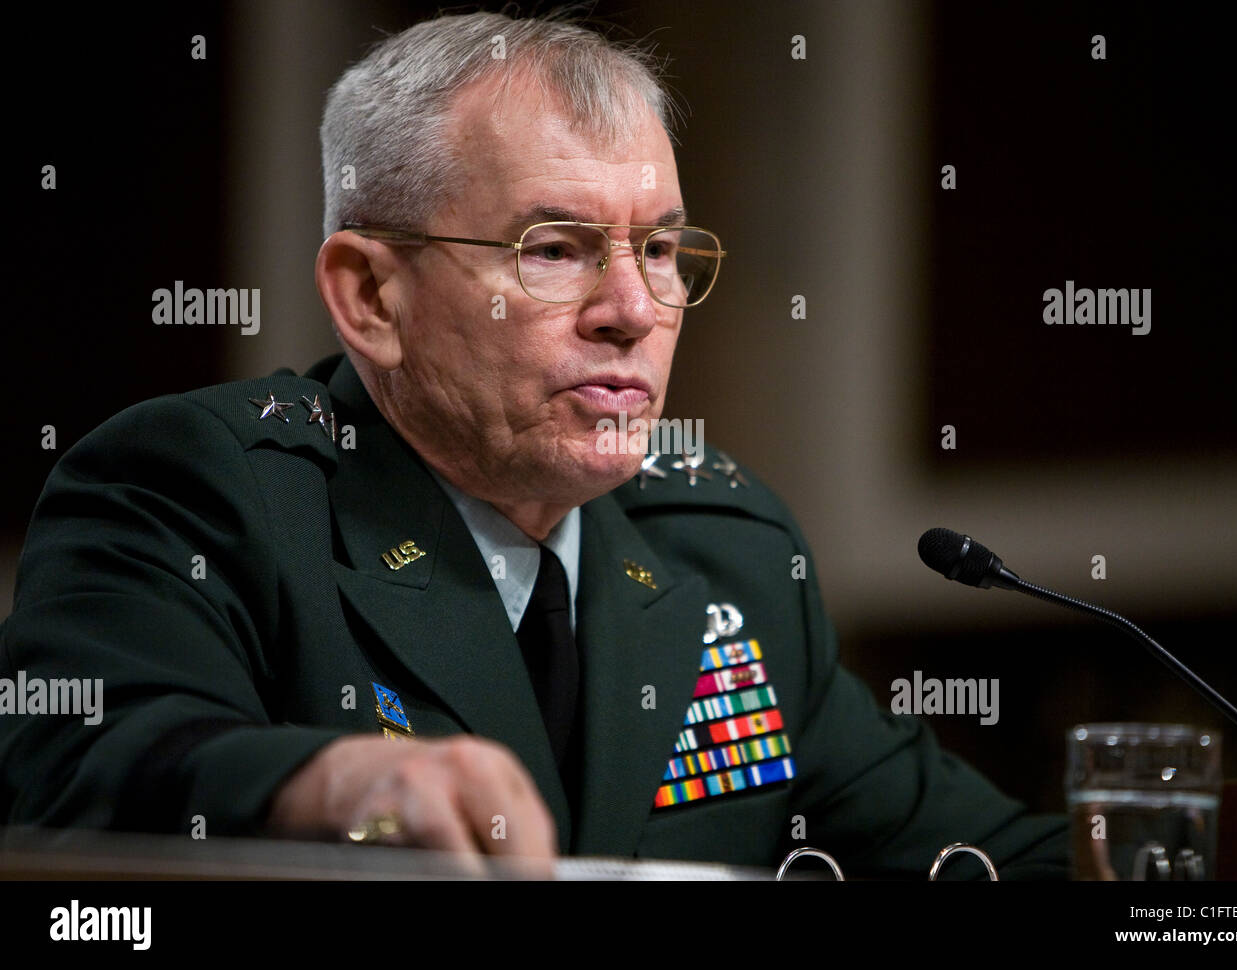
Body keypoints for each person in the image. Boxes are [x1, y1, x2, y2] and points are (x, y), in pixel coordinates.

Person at [0, 12, 1065, 878]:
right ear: (372, 296)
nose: (632, 309)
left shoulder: (723, 542)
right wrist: (337, 789)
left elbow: (977, 856)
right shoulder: (194, 492)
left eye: (658, 248)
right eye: (554, 249)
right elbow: (83, 772)